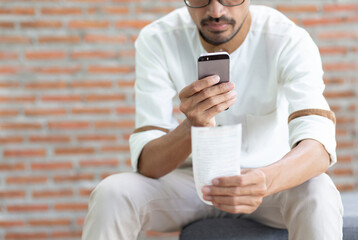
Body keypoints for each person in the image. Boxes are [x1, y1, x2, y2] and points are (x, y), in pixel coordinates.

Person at [82, 0, 343, 239]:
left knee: (318, 190)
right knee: (112, 193)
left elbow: (319, 145)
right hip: (192, 184)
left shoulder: (287, 38)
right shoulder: (157, 39)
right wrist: (192, 126)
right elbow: (148, 164)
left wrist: (266, 180)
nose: (216, 11)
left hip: (268, 182)